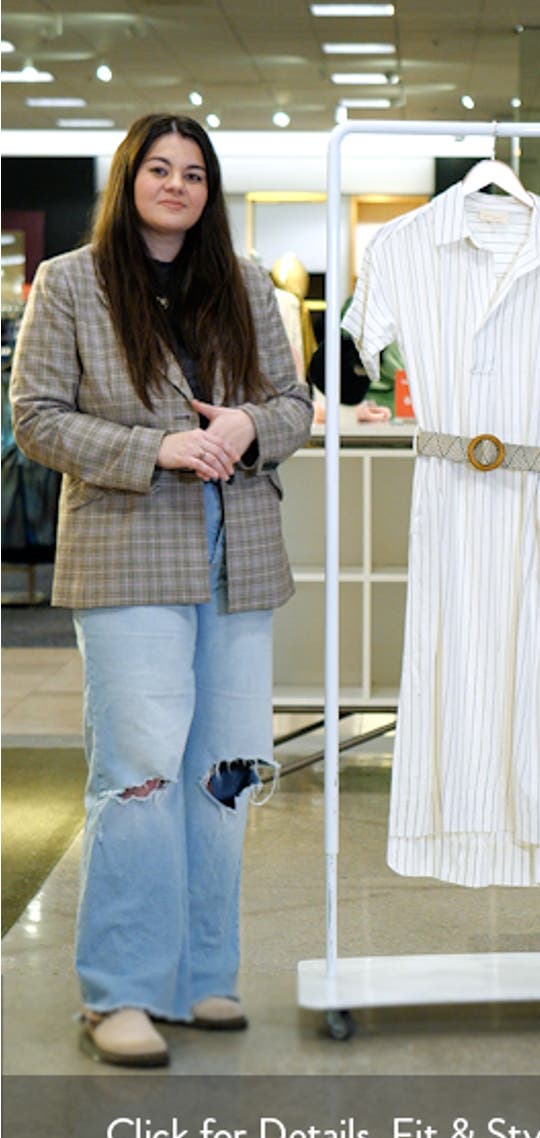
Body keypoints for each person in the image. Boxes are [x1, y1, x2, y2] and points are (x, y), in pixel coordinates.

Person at [10, 114, 313, 1067]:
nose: (177, 184)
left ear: (209, 189)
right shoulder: (69, 283)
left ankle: (198, 975)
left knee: (223, 774)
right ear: (127, 179)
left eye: (194, 172)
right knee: (138, 775)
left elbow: (294, 407)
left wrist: (246, 428)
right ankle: (119, 992)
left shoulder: (248, 285)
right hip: (128, 552)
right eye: (159, 168)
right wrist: (158, 448)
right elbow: (34, 421)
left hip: (239, 561)